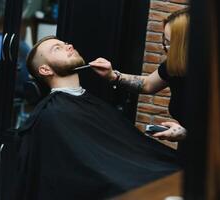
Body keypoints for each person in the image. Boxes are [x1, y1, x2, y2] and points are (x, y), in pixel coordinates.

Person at [14, 36, 180, 200]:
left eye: (65, 43)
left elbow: (125, 153)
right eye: (57, 48)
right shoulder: (53, 114)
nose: (69, 46)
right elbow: (86, 170)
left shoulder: (87, 102)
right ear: (45, 70)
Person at [90, 8, 189, 143]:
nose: (164, 47)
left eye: (169, 43)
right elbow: (147, 84)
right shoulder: (173, 65)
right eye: (164, 42)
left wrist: (185, 134)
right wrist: (113, 76)